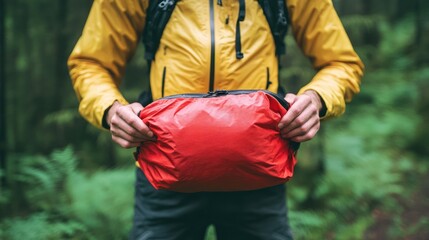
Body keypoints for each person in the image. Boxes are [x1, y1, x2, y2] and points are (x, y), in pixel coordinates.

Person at [68, 0, 364, 239]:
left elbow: (341, 63)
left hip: (258, 172)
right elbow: (91, 63)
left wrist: (317, 99)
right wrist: (110, 109)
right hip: (165, 171)